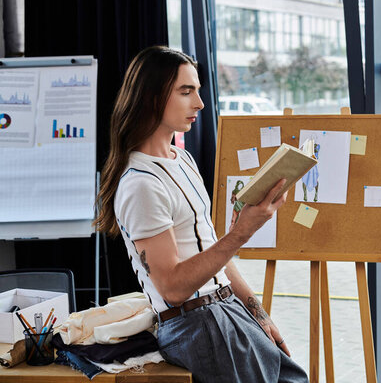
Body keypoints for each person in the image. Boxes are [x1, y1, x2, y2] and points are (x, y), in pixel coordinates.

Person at [94, 46, 308, 383]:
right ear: (152, 97)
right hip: (199, 323)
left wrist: (258, 313)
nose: (200, 103)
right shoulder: (140, 184)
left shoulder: (184, 160)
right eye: (186, 91)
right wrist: (242, 233)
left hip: (226, 311)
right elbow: (173, 288)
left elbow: (212, 254)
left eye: (198, 90)